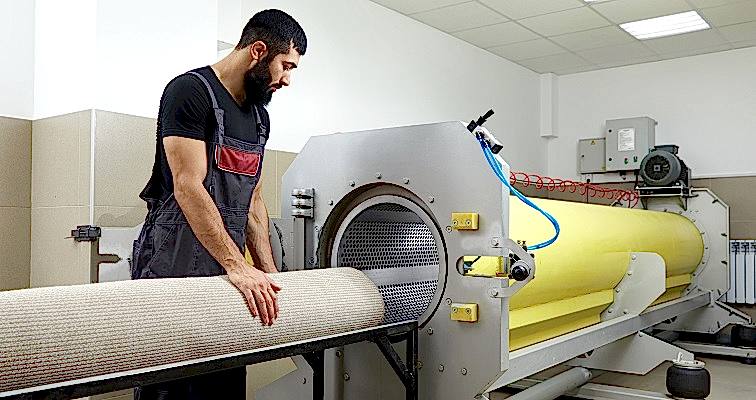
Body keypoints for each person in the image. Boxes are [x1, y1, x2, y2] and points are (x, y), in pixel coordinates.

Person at [131, 9, 307, 399]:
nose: (287, 80)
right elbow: (187, 185)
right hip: (172, 266)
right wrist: (237, 265)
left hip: (225, 270)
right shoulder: (190, 92)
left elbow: (253, 201)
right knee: (171, 385)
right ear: (258, 51)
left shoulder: (259, 117)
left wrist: (268, 272)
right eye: (286, 66)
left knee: (223, 382)